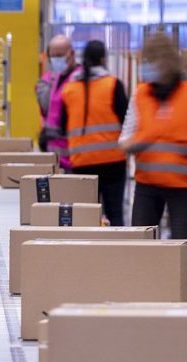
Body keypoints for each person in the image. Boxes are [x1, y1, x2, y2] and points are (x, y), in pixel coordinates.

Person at [119, 33, 187, 240]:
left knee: (179, 246)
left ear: (166, 62)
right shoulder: (141, 95)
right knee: (141, 244)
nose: (147, 66)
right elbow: (124, 139)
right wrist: (138, 144)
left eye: (151, 60)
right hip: (147, 185)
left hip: (183, 188)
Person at [61, 40, 129, 226]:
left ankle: (87, 253)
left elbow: (62, 126)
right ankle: (117, 253)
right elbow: (127, 120)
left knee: (85, 217)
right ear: (103, 59)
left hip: (81, 162)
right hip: (112, 161)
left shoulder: (69, 89)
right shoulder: (113, 85)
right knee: (114, 214)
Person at [37, 35, 79, 171]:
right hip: (53, 155)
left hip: (76, 154)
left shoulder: (81, 78)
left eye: (60, 55)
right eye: (53, 56)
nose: (57, 60)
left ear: (71, 53)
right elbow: (45, 106)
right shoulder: (46, 80)